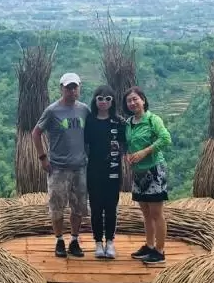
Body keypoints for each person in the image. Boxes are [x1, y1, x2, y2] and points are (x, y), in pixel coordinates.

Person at [32, 72, 91, 258]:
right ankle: (59, 240)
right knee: (57, 206)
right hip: (58, 168)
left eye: (75, 87)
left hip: (80, 167)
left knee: (79, 206)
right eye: (68, 87)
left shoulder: (84, 110)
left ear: (79, 87)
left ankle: (74, 240)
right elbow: (36, 133)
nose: (72, 91)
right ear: (61, 88)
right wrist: (42, 157)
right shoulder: (52, 110)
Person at [124, 86, 172, 266]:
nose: (132, 103)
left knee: (156, 212)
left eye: (135, 99)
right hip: (138, 172)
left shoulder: (153, 120)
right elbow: (128, 144)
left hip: (154, 170)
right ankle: (149, 246)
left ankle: (159, 251)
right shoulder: (128, 123)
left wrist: (145, 152)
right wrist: (128, 155)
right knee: (145, 212)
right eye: (129, 101)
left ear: (143, 100)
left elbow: (166, 138)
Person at [84, 84, 126, 259]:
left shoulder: (119, 122)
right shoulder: (90, 121)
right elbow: (85, 144)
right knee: (95, 208)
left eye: (107, 99)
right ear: (95, 100)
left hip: (114, 171)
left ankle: (110, 242)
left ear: (112, 101)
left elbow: (125, 144)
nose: (103, 102)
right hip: (94, 170)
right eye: (100, 98)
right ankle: (98, 243)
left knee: (111, 208)